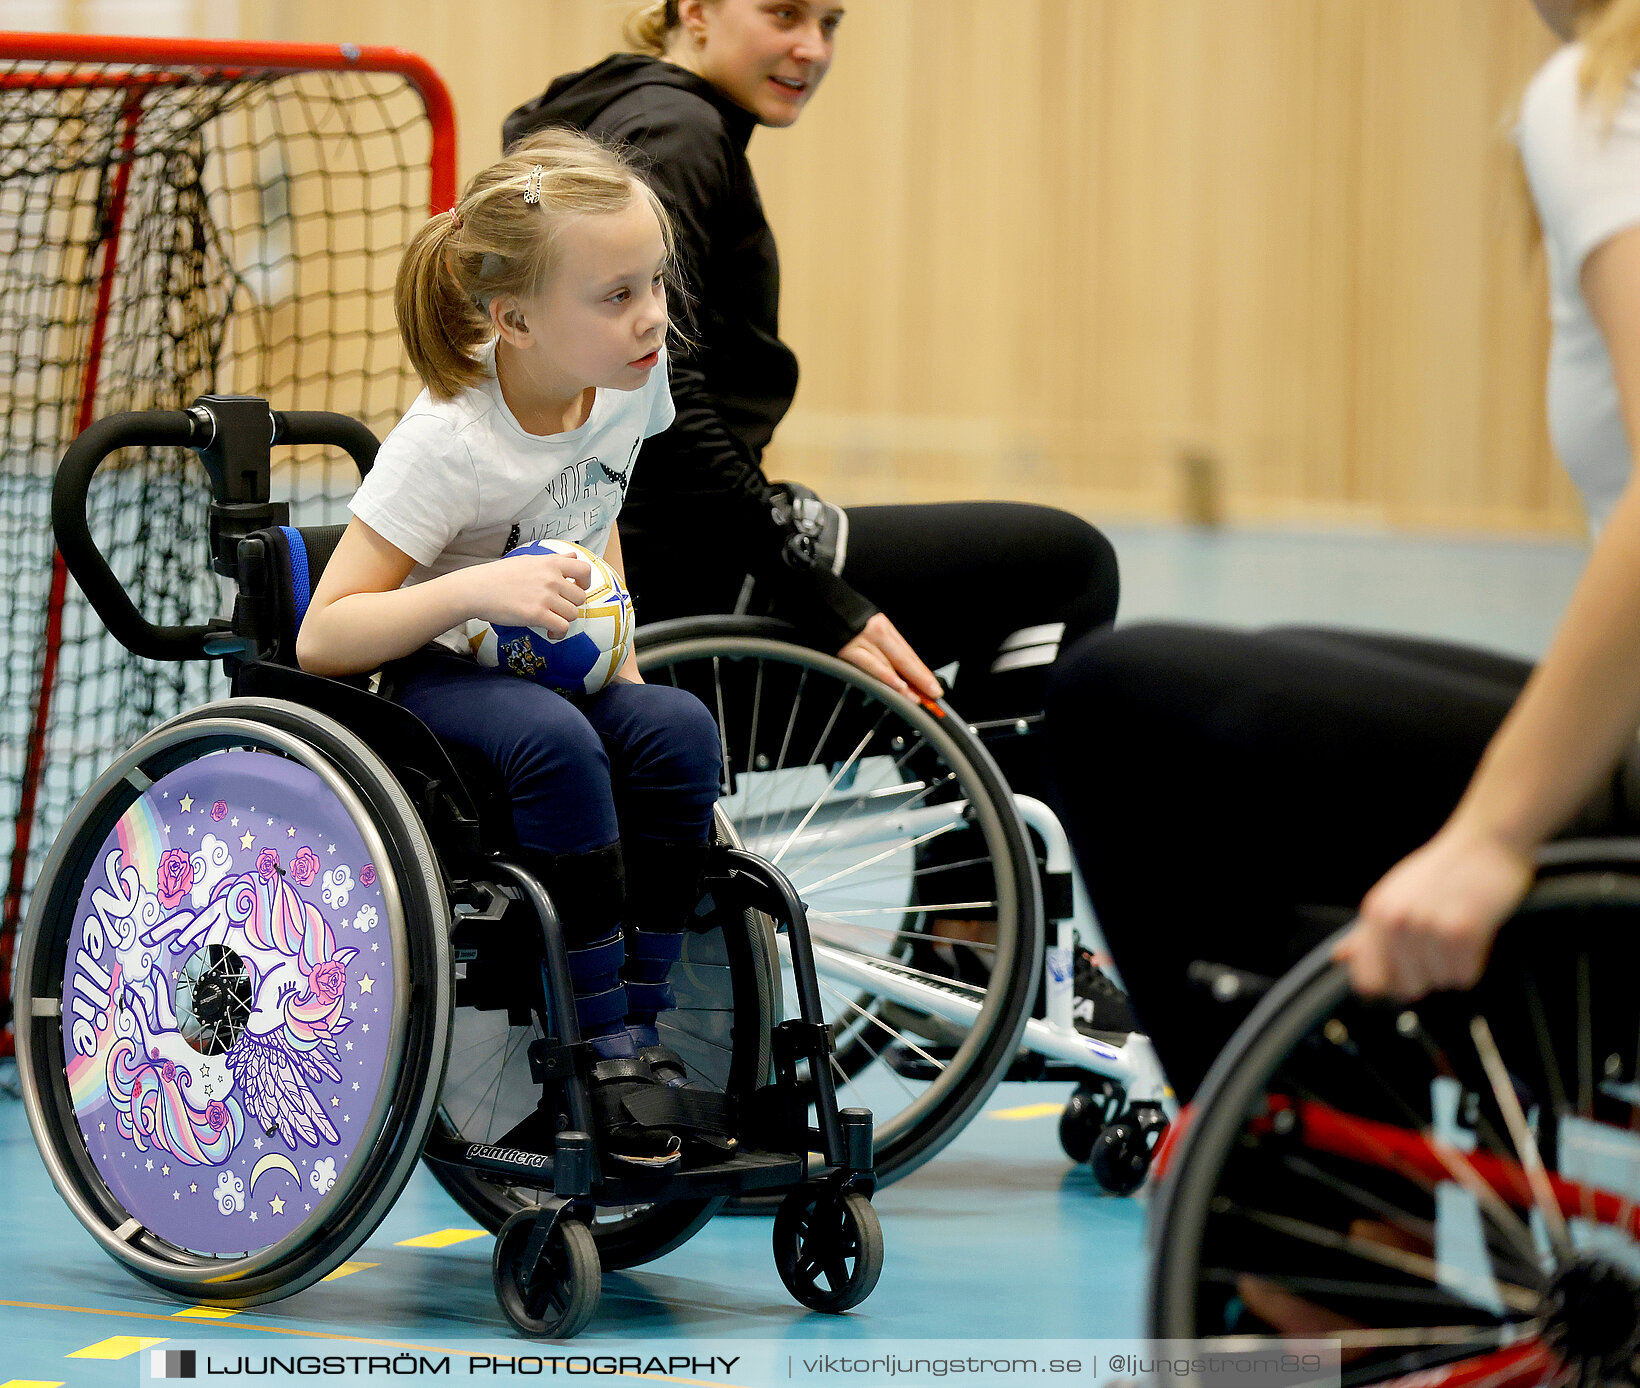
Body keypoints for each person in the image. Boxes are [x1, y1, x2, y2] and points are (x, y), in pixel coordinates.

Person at [1045, 0, 1640, 1100]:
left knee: (1120, 706)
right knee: (1276, 660)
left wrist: (1492, 836)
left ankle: (1320, 1234)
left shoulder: (1601, 99)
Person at [505, 0, 1135, 1033]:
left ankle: (970, 920)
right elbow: (657, 405)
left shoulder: (616, 113)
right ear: (697, 11)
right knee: (1064, 570)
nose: (812, 49)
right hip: (674, 573)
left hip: (640, 547)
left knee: (1004, 592)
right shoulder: (677, 133)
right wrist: (819, 590)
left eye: (832, 22)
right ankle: (977, 927)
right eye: (785, 13)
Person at [296, 129, 728, 1172]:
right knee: (553, 746)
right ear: (516, 320)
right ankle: (588, 1042)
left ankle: (643, 1025)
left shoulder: (630, 379)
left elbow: (598, 507)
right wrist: (474, 586)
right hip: (436, 672)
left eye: (655, 282)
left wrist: (619, 659)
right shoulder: (448, 439)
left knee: (675, 730)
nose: (653, 315)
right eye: (617, 294)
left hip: (554, 654)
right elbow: (325, 636)